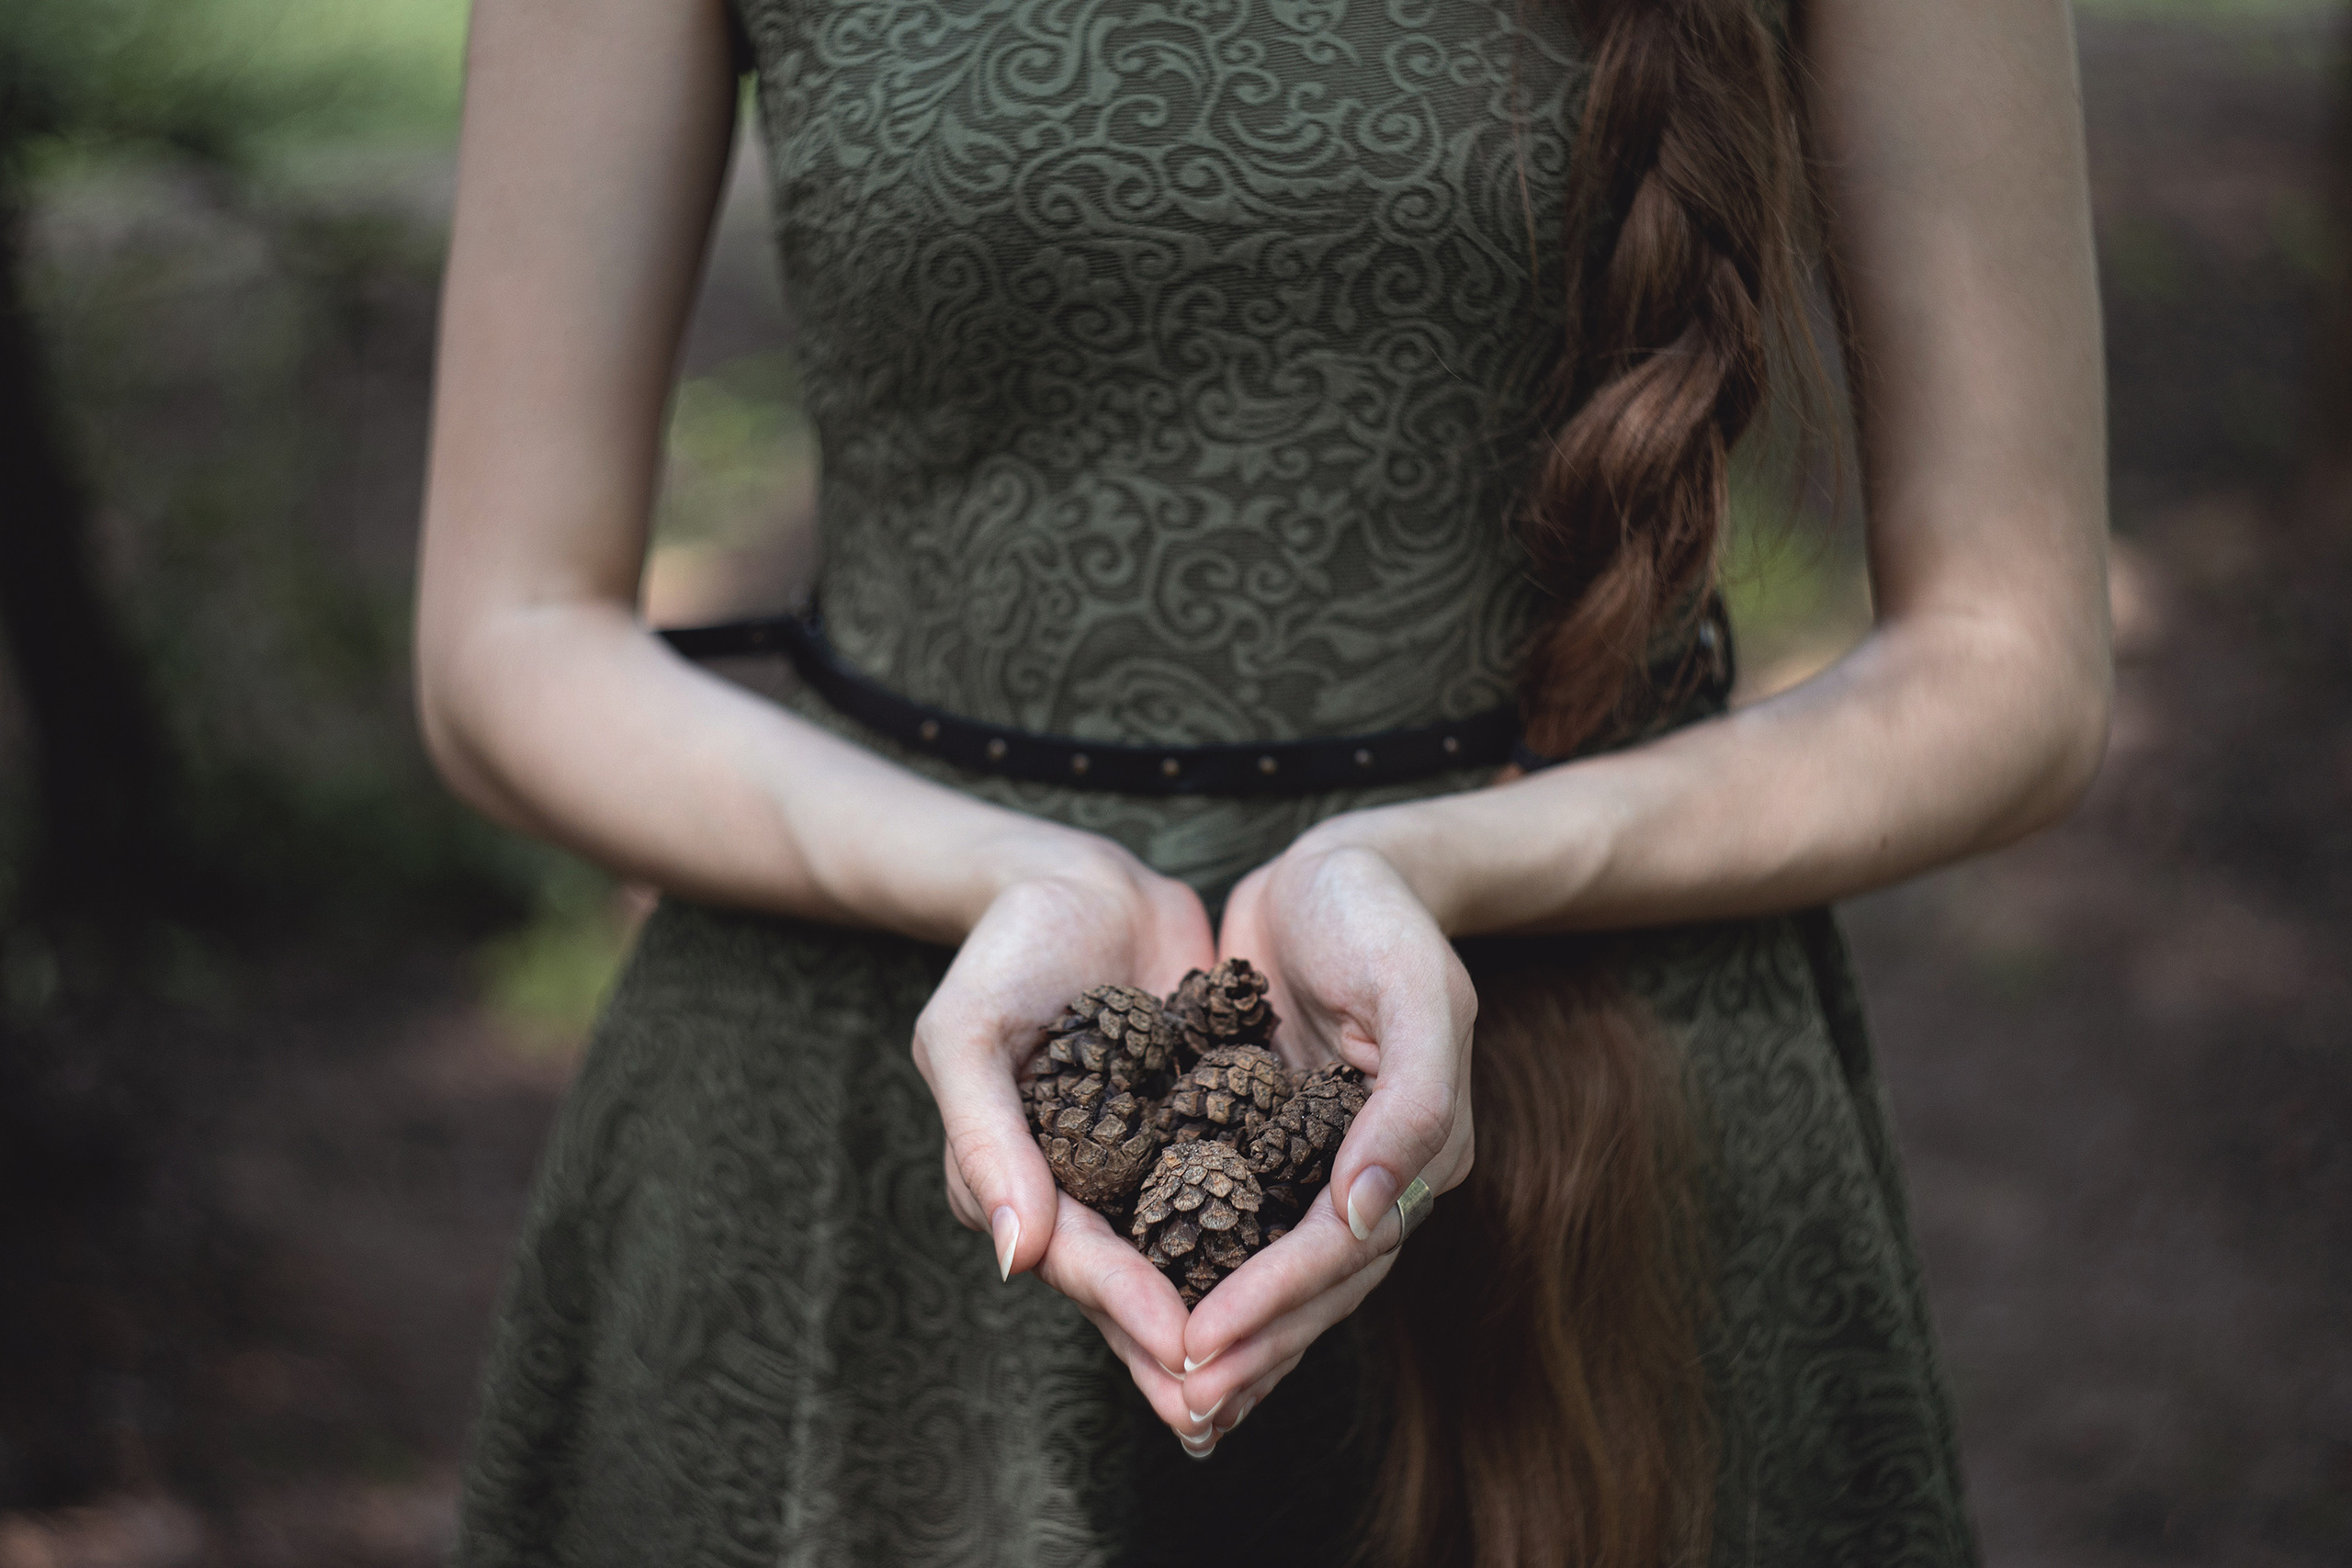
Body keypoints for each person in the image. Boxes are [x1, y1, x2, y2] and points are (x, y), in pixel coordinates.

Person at [413, 0, 2109, 1561]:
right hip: (860, 1126)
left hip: (1617, 1158)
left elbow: (2010, 667)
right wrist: (1003, 873)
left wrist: (1449, 863)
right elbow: (508, 639)